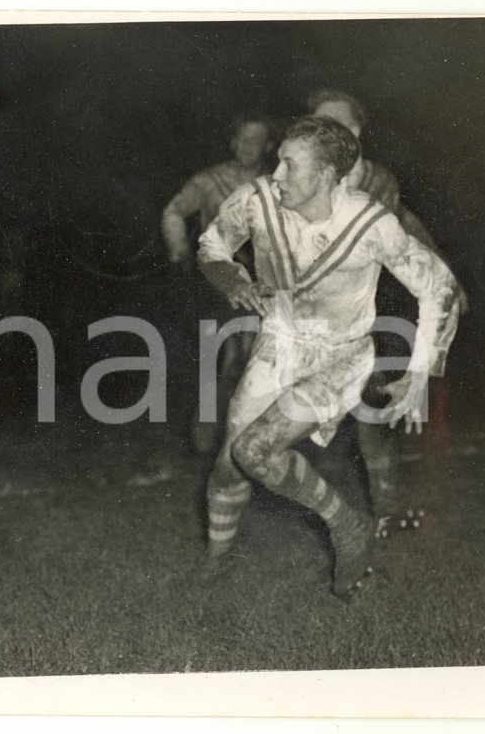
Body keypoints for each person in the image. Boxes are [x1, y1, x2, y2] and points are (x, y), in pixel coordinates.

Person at [196, 116, 460, 596]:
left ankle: (347, 523)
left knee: (254, 450)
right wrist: (232, 279)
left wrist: (420, 371)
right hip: (278, 346)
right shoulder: (256, 201)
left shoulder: (371, 224)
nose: (276, 174)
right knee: (230, 464)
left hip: (339, 361)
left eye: (289, 166)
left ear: (324, 176)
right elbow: (212, 244)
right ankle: (215, 566)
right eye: (278, 161)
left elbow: (439, 288)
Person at [307, 88, 467, 513]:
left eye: (341, 124)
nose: (331, 133)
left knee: (373, 409)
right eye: (321, 125)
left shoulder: (380, 181)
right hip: (315, 317)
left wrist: (445, 277)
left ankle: (384, 509)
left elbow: (405, 227)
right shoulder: (297, 178)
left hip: (375, 312)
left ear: (358, 132)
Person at [160, 112, 282, 453]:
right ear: (232, 142)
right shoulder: (210, 180)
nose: (247, 146)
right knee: (216, 359)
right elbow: (173, 211)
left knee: (251, 361)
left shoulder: (277, 184)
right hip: (215, 284)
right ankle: (206, 441)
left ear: (268, 146)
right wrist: (179, 251)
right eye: (242, 139)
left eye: (256, 140)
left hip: (263, 287)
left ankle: (242, 443)